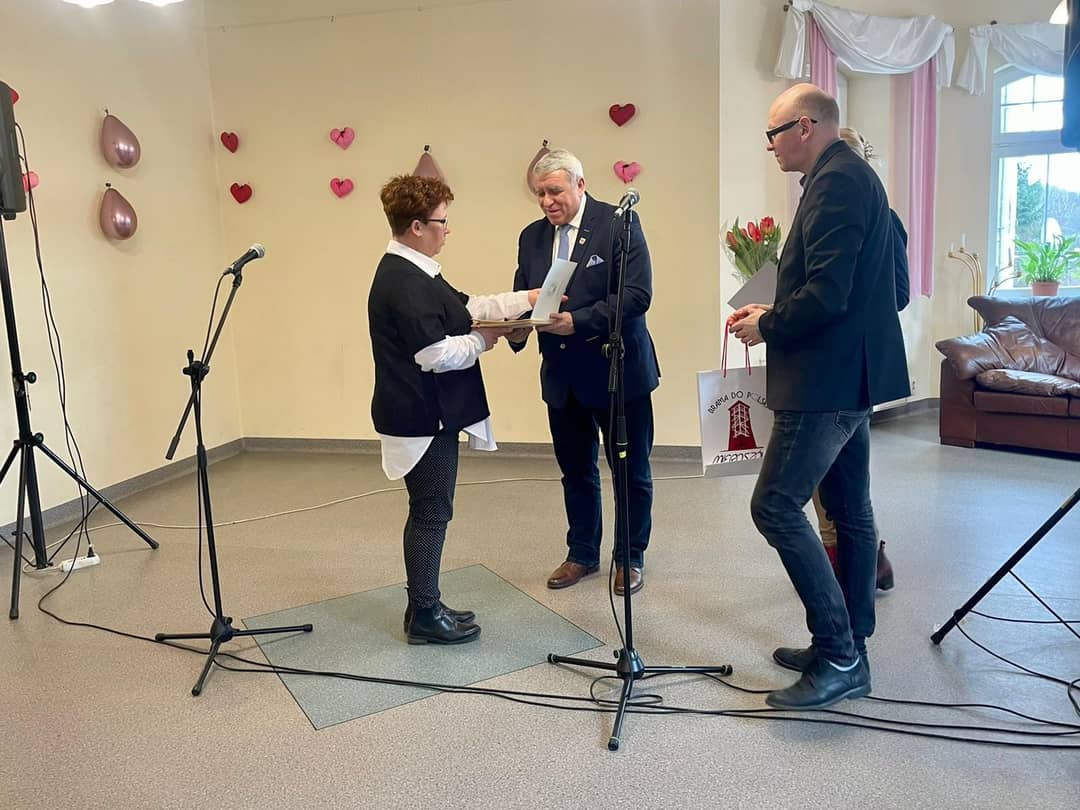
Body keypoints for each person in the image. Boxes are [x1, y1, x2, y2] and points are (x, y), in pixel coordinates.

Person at [729, 85, 910, 710]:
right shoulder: (844, 177)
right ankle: (850, 641)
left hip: (826, 381)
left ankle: (839, 655)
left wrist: (769, 324)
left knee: (775, 506)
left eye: (773, 133)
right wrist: (774, 305)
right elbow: (844, 285)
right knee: (850, 510)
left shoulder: (836, 182)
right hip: (849, 376)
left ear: (805, 127)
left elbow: (829, 294)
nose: (770, 146)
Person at [368, 174, 540, 645]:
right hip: (419, 415)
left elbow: (467, 306)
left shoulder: (419, 271)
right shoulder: (404, 280)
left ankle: (423, 604)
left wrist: (526, 299)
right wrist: (484, 340)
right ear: (417, 226)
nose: (448, 229)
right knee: (431, 512)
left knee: (431, 508)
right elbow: (434, 354)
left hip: (427, 411)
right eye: (443, 222)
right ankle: (424, 613)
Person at [509, 149, 660, 596]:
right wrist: (513, 327)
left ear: (580, 184)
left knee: (630, 472)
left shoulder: (619, 224)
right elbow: (524, 295)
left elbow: (636, 296)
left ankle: (629, 556)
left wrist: (579, 321)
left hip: (617, 369)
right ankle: (582, 553)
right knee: (575, 470)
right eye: (539, 193)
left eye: (554, 191)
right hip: (562, 375)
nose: (546, 201)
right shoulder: (531, 237)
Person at [809, 126, 909, 592]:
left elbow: (898, 293)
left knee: (834, 478)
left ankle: (853, 559)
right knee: (838, 478)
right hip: (827, 364)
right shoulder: (820, 211)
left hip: (848, 365)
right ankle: (862, 560)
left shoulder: (882, 218)